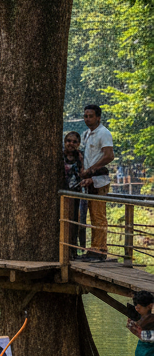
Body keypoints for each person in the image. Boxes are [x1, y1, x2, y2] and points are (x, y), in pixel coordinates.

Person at [80, 104, 114, 261]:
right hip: (89, 180)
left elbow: (109, 156)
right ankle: (93, 248)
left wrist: (92, 170)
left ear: (98, 118)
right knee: (91, 215)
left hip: (99, 180)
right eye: (86, 116)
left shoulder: (103, 133)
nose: (87, 119)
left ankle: (100, 250)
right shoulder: (87, 134)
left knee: (99, 215)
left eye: (91, 116)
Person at [61, 131, 84, 259]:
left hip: (75, 194)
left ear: (78, 144)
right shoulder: (60, 155)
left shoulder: (80, 157)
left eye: (74, 141)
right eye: (68, 141)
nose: (71, 144)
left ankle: (73, 251)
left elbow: (82, 172)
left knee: (75, 222)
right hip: (62, 193)